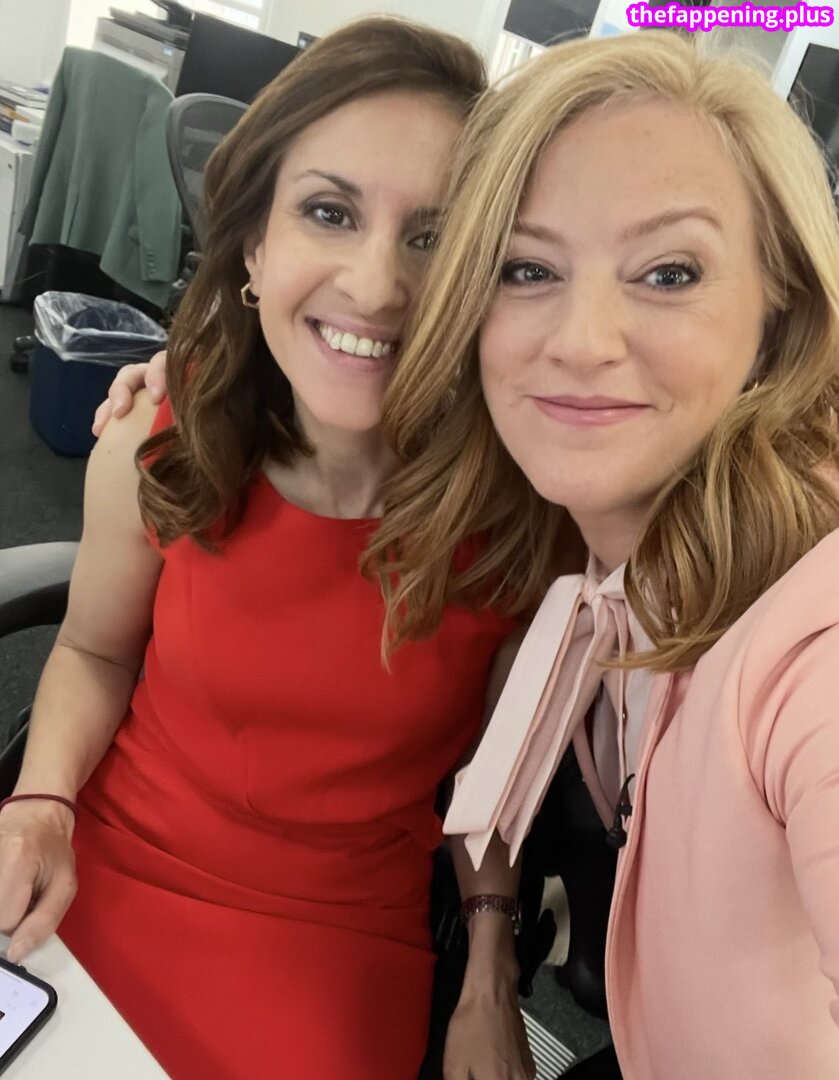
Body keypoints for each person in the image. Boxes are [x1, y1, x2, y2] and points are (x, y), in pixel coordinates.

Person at [0, 19, 519, 1080]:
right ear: (254, 245)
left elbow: (497, 790)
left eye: (432, 236)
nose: (375, 286)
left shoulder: (522, 514)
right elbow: (93, 652)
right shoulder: (166, 433)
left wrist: (489, 975)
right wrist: (40, 804)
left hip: (338, 943)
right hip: (102, 865)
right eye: (328, 212)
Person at [364, 29, 839, 1080]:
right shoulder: (592, 548)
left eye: (668, 273)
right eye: (525, 269)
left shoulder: (810, 638)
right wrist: (487, 970)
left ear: (779, 317)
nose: (580, 340)